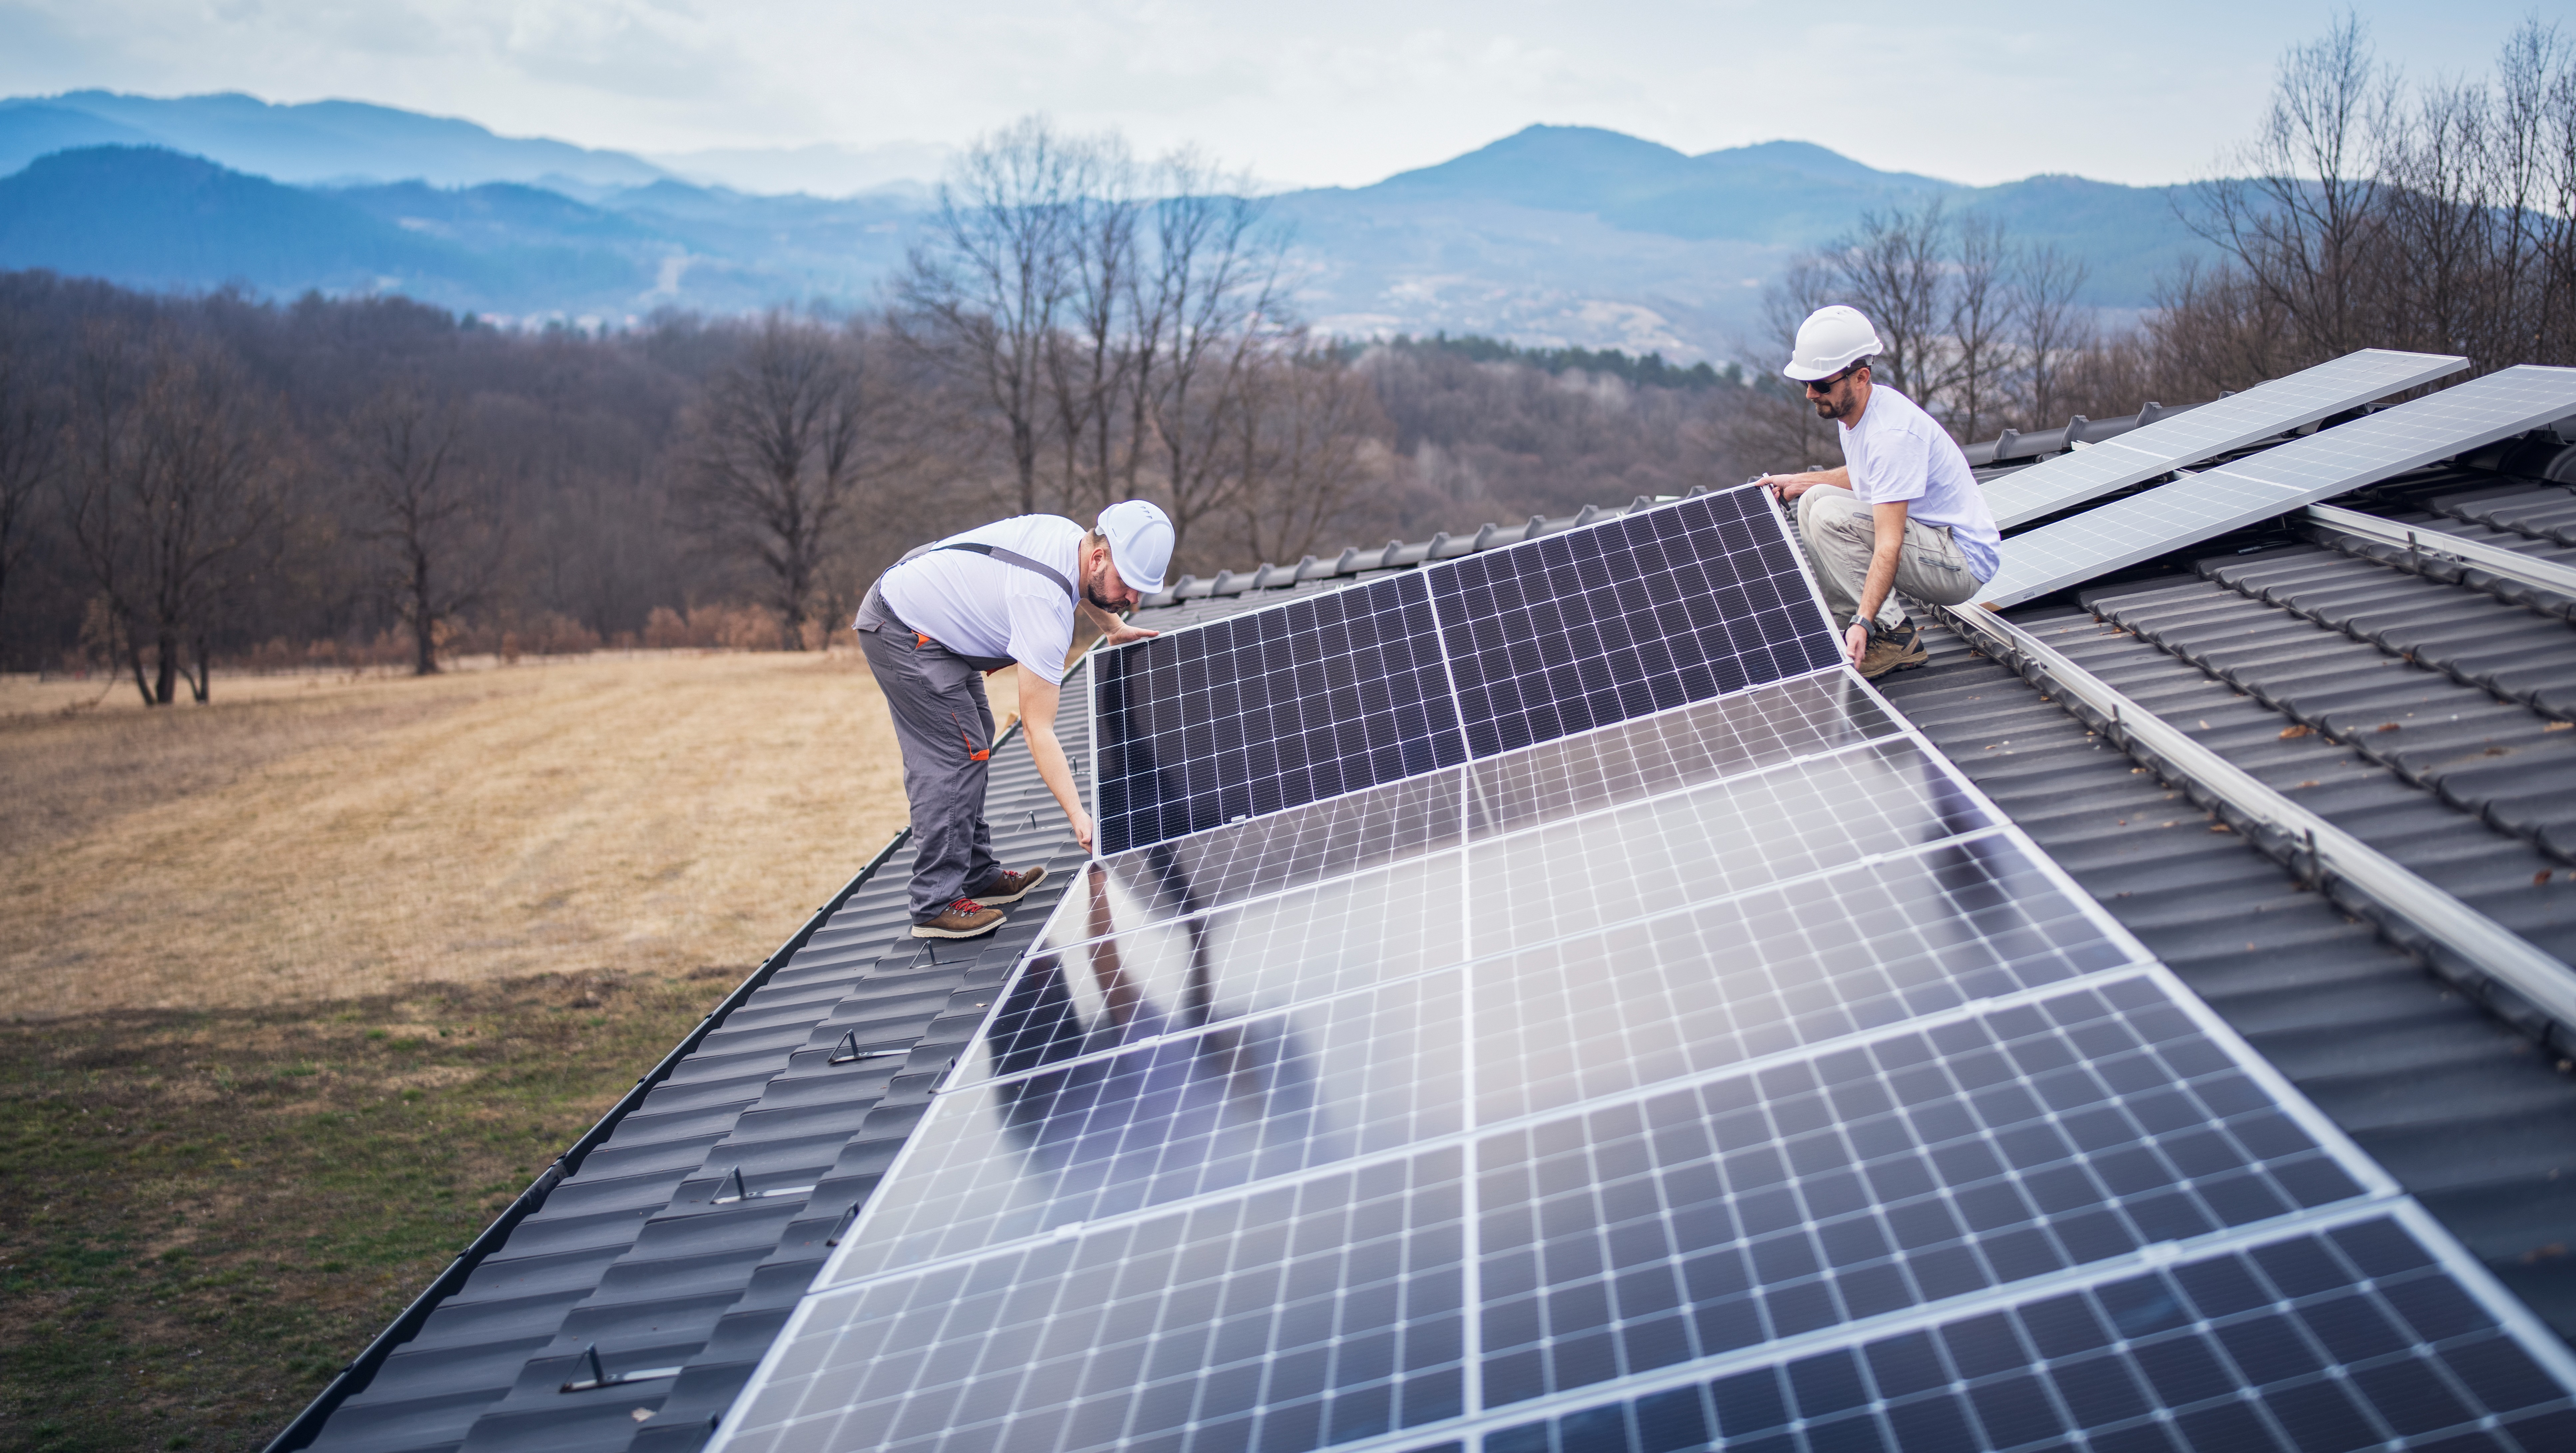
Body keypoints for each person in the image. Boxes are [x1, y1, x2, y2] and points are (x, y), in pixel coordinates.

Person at [855, 501, 1171, 939]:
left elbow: (1085, 587)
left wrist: (1112, 627)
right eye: (1129, 584)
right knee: (956, 754)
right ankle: (934, 902)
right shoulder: (1044, 610)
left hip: (933, 616)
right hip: (902, 627)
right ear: (1099, 557)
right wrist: (1079, 815)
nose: (1133, 600)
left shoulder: (1071, 539)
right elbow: (1037, 730)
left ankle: (977, 875)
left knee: (975, 740)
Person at [1755, 305, 2003, 678]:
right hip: (1931, 542)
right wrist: (1800, 481)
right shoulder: (1858, 410)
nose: (1810, 394)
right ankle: (1850, 629)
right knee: (1813, 502)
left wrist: (1866, 619)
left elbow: (1889, 544)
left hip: (1959, 563)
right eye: (1806, 383)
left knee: (1829, 515)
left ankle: (1892, 637)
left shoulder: (1891, 436)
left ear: (1860, 377)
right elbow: (1868, 475)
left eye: (1821, 384)